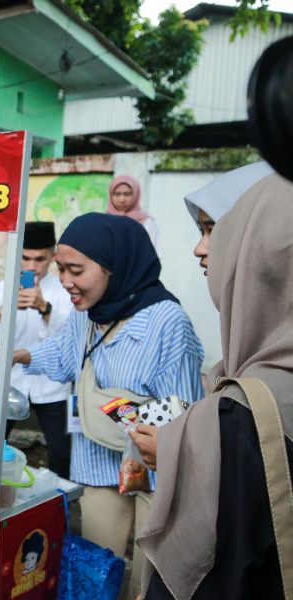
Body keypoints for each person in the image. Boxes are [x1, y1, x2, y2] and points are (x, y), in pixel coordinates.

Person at [0, 213, 205, 599]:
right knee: (95, 566)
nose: (65, 281)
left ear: (113, 267)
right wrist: (20, 356)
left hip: (156, 471)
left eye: (76, 270)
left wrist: (167, 451)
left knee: (150, 576)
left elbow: (185, 409)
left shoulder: (167, 322)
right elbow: (64, 354)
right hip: (96, 459)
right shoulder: (87, 312)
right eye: (61, 269)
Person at [137, 173, 293, 600]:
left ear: (263, 247)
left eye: (215, 229)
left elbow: (208, 574)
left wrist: (179, 451)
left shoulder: (244, 413)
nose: (201, 248)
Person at [0, 222, 74, 478]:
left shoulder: (65, 290)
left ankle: (59, 508)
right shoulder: (1, 289)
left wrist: (45, 308)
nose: (31, 266)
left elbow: (73, 337)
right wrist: (2, 312)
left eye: (40, 259)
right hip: (10, 382)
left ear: (52, 256)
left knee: (62, 455)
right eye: (25, 258)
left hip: (52, 385)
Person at [107, 175, 164, 259]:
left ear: (136, 195)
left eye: (127, 194)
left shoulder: (147, 222)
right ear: (111, 195)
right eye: (117, 194)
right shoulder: (104, 221)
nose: (122, 199)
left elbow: (155, 254)